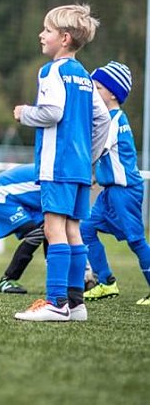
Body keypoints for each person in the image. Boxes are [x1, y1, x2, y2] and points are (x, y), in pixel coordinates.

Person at [12, 4, 110, 322]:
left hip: (57, 165)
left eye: (47, 30)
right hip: (80, 168)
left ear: (64, 38)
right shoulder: (84, 75)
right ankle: (76, 304)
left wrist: (25, 113)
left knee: (54, 230)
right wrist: (89, 157)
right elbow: (103, 119)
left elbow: (52, 111)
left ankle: (55, 302)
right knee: (72, 231)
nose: (42, 34)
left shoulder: (52, 71)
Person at [81, 61, 150, 306]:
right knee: (85, 229)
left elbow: (94, 149)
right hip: (110, 191)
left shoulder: (112, 119)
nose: (93, 93)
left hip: (126, 191)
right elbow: (106, 158)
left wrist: (79, 172)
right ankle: (106, 282)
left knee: (136, 239)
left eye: (97, 88)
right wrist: (91, 177)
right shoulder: (110, 118)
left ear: (112, 93)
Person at [0, 163, 46, 295]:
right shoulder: (57, 181)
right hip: (2, 195)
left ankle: (62, 279)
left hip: (25, 199)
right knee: (36, 234)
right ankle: (7, 280)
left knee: (51, 230)